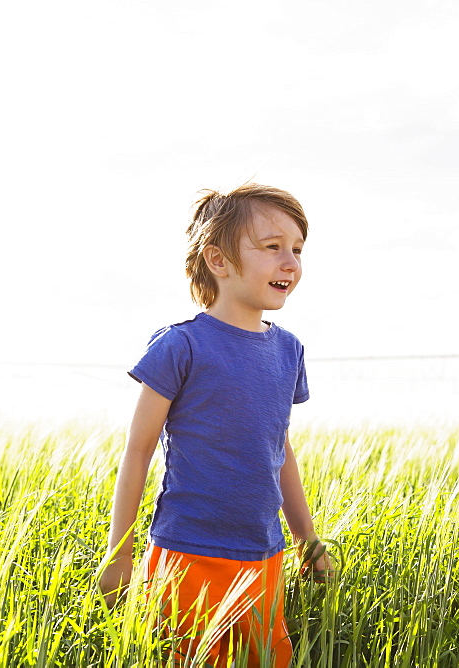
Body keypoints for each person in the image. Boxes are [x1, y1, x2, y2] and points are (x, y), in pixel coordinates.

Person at [98, 183, 332, 667]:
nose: (290, 262)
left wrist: (308, 542)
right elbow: (138, 450)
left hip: (263, 557)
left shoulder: (289, 351)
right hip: (188, 555)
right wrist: (120, 553)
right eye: (272, 248)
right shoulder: (180, 347)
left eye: (297, 250)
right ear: (218, 261)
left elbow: (280, 451)